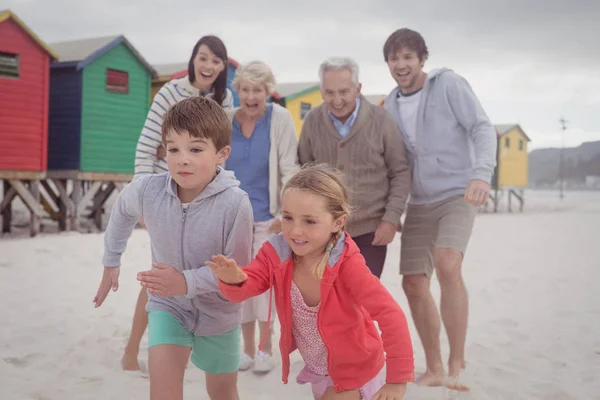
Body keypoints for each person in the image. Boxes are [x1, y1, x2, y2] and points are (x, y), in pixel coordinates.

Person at [207, 163, 415, 400]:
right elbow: (249, 285)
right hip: (319, 369)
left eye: (309, 221)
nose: (295, 231)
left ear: (338, 222)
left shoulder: (347, 264)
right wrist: (235, 280)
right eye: (288, 218)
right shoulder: (277, 252)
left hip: (357, 369)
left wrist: (398, 379)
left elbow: (390, 314)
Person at [94, 97, 253, 400]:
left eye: (195, 149)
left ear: (222, 154)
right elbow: (122, 211)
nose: (182, 159)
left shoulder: (236, 204)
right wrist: (111, 261)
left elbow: (239, 275)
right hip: (169, 308)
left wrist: (185, 282)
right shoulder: (148, 190)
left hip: (219, 315)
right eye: (173, 149)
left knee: (223, 393)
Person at [382, 28, 497, 391]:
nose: (401, 65)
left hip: (457, 193)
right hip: (419, 200)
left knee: (449, 263)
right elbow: (394, 161)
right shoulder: (391, 103)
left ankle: (456, 358)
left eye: (408, 57)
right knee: (414, 282)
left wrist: (481, 175)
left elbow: (481, 127)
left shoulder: (448, 85)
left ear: (422, 59)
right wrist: (393, 208)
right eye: (394, 58)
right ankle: (432, 366)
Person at [122, 35, 234, 372]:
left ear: (223, 66)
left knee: (195, 271)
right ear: (193, 59)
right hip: (164, 193)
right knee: (162, 272)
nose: (208, 66)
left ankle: (188, 346)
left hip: (204, 196)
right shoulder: (171, 92)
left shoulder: (225, 99)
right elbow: (146, 145)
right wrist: (143, 197)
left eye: (215, 60)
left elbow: (218, 153)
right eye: (203, 57)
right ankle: (131, 351)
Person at [298, 57, 410, 279]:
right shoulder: (312, 121)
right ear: (322, 92)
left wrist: (390, 219)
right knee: (327, 300)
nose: (337, 100)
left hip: (371, 232)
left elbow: (400, 172)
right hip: (324, 231)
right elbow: (303, 172)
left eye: (344, 92)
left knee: (361, 304)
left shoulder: (381, 120)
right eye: (329, 93)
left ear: (358, 89)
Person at [225, 60, 300, 373]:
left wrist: (287, 213)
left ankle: (266, 348)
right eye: (245, 89)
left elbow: (289, 168)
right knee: (238, 281)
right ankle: (245, 349)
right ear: (237, 90)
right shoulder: (226, 119)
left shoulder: (279, 118)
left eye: (258, 90)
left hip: (267, 217)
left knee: (264, 283)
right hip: (232, 217)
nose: (251, 96)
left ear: (268, 92)